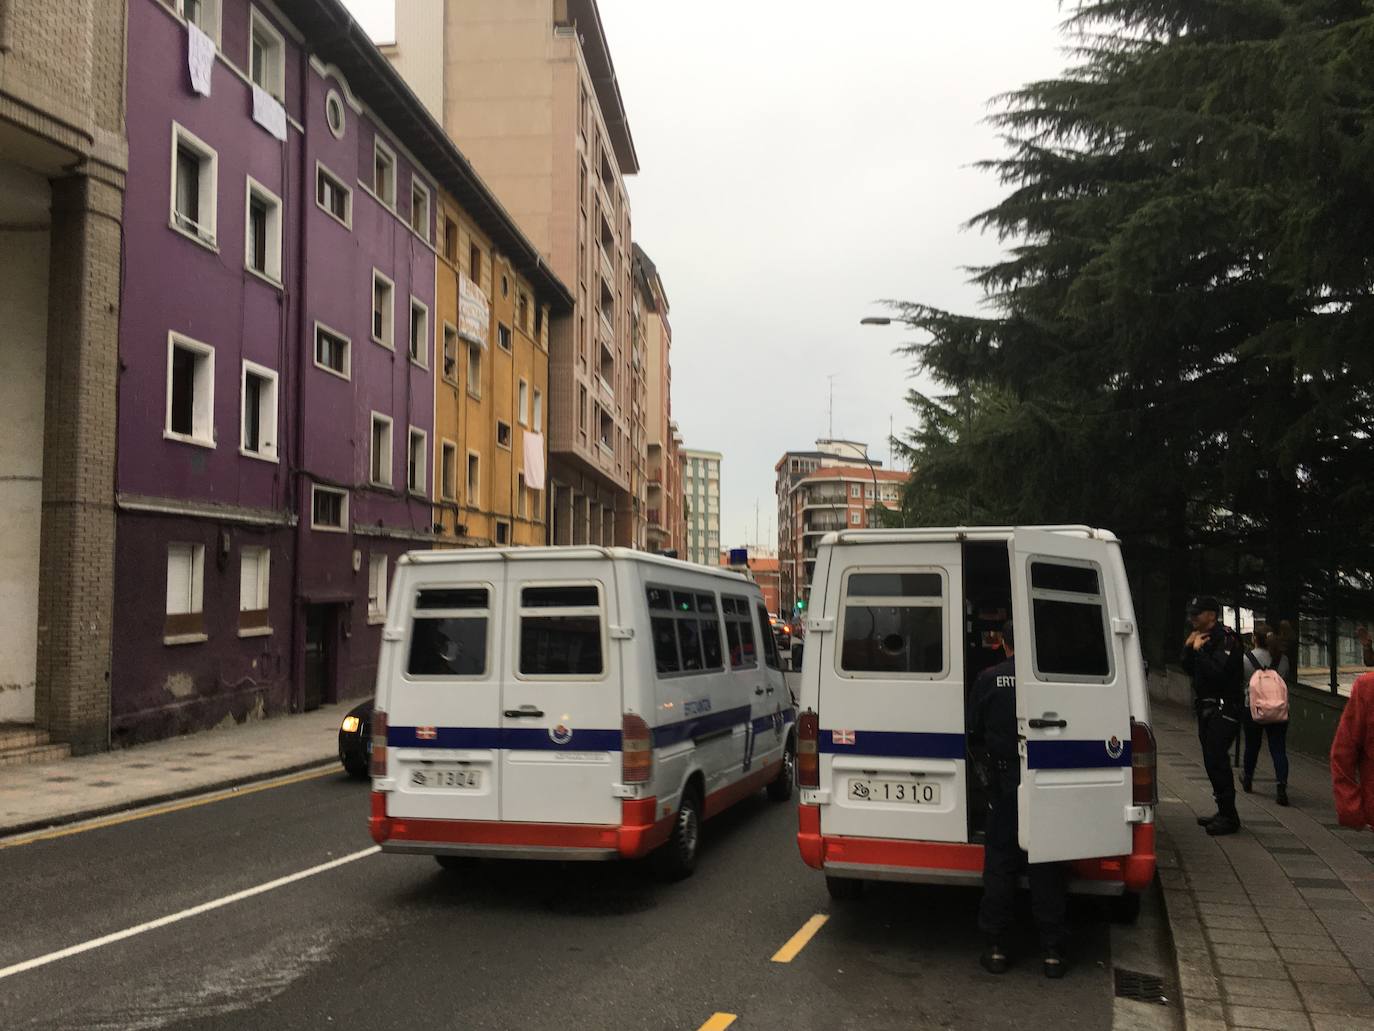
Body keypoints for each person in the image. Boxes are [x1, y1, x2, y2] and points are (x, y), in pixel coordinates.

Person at [967, 621, 1068, 979]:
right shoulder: (1050, 679)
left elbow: (973, 727)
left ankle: (995, 947)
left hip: (1005, 781)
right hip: (1043, 777)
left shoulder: (989, 678)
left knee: (1000, 861)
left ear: (1002, 644)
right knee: (1045, 863)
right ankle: (1053, 951)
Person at [1181, 595, 1245, 836]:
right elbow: (1188, 668)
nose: (1191, 619)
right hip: (1206, 707)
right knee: (1210, 760)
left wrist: (1200, 652)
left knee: (1218, 758)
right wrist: (1189, 648)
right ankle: (1224, 811)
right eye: (1190, 614)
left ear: (1211, 615)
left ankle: (1230, 817)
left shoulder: (1227, 639)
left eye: (1196, 614)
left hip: (1225, 707)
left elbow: (1218, 673)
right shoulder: (1199, 638)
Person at [1240, 624, 1292, 806]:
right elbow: (1284, 678)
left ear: (1255, 638)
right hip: (1278, 710)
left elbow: (1241, 681)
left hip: (1253, 709)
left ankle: (1247, 778)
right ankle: (1281, 786)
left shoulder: (1246, 659)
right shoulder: (1282, 659)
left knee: (1252, 746)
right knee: (1278, 749)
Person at [1331, 672, 1374, 831]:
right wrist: (1350, 806)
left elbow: (1343, 751)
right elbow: (1343, 752)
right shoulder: (1367, 688)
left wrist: (1350, 806)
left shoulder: (1368, 687)